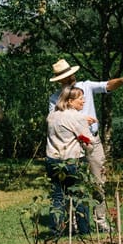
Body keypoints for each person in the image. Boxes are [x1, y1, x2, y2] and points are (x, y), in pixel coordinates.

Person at [49, 57, 123, 231]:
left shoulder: (86, 86)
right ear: (60, 80)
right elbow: (54, 120)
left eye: (72, 74)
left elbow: (107, 85)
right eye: (67, 76)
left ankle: (101, 221)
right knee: (72, 184)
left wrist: (122, 80)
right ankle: (74, 222)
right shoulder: (55, 98)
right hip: (72, 145)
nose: (71, 78)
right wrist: (81, 120)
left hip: (93, 141)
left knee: (99, 181)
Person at [46, 86, 93, 236]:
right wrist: (88, 127)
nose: (84, 101)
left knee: (57, 196)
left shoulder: (52, 116)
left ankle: (56, 231)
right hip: (72, 161)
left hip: (52, 160)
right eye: (81, 98)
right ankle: (84, 231)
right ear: (70, 101)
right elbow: (88, 142)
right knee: (79, 195)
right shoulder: (77, 117)